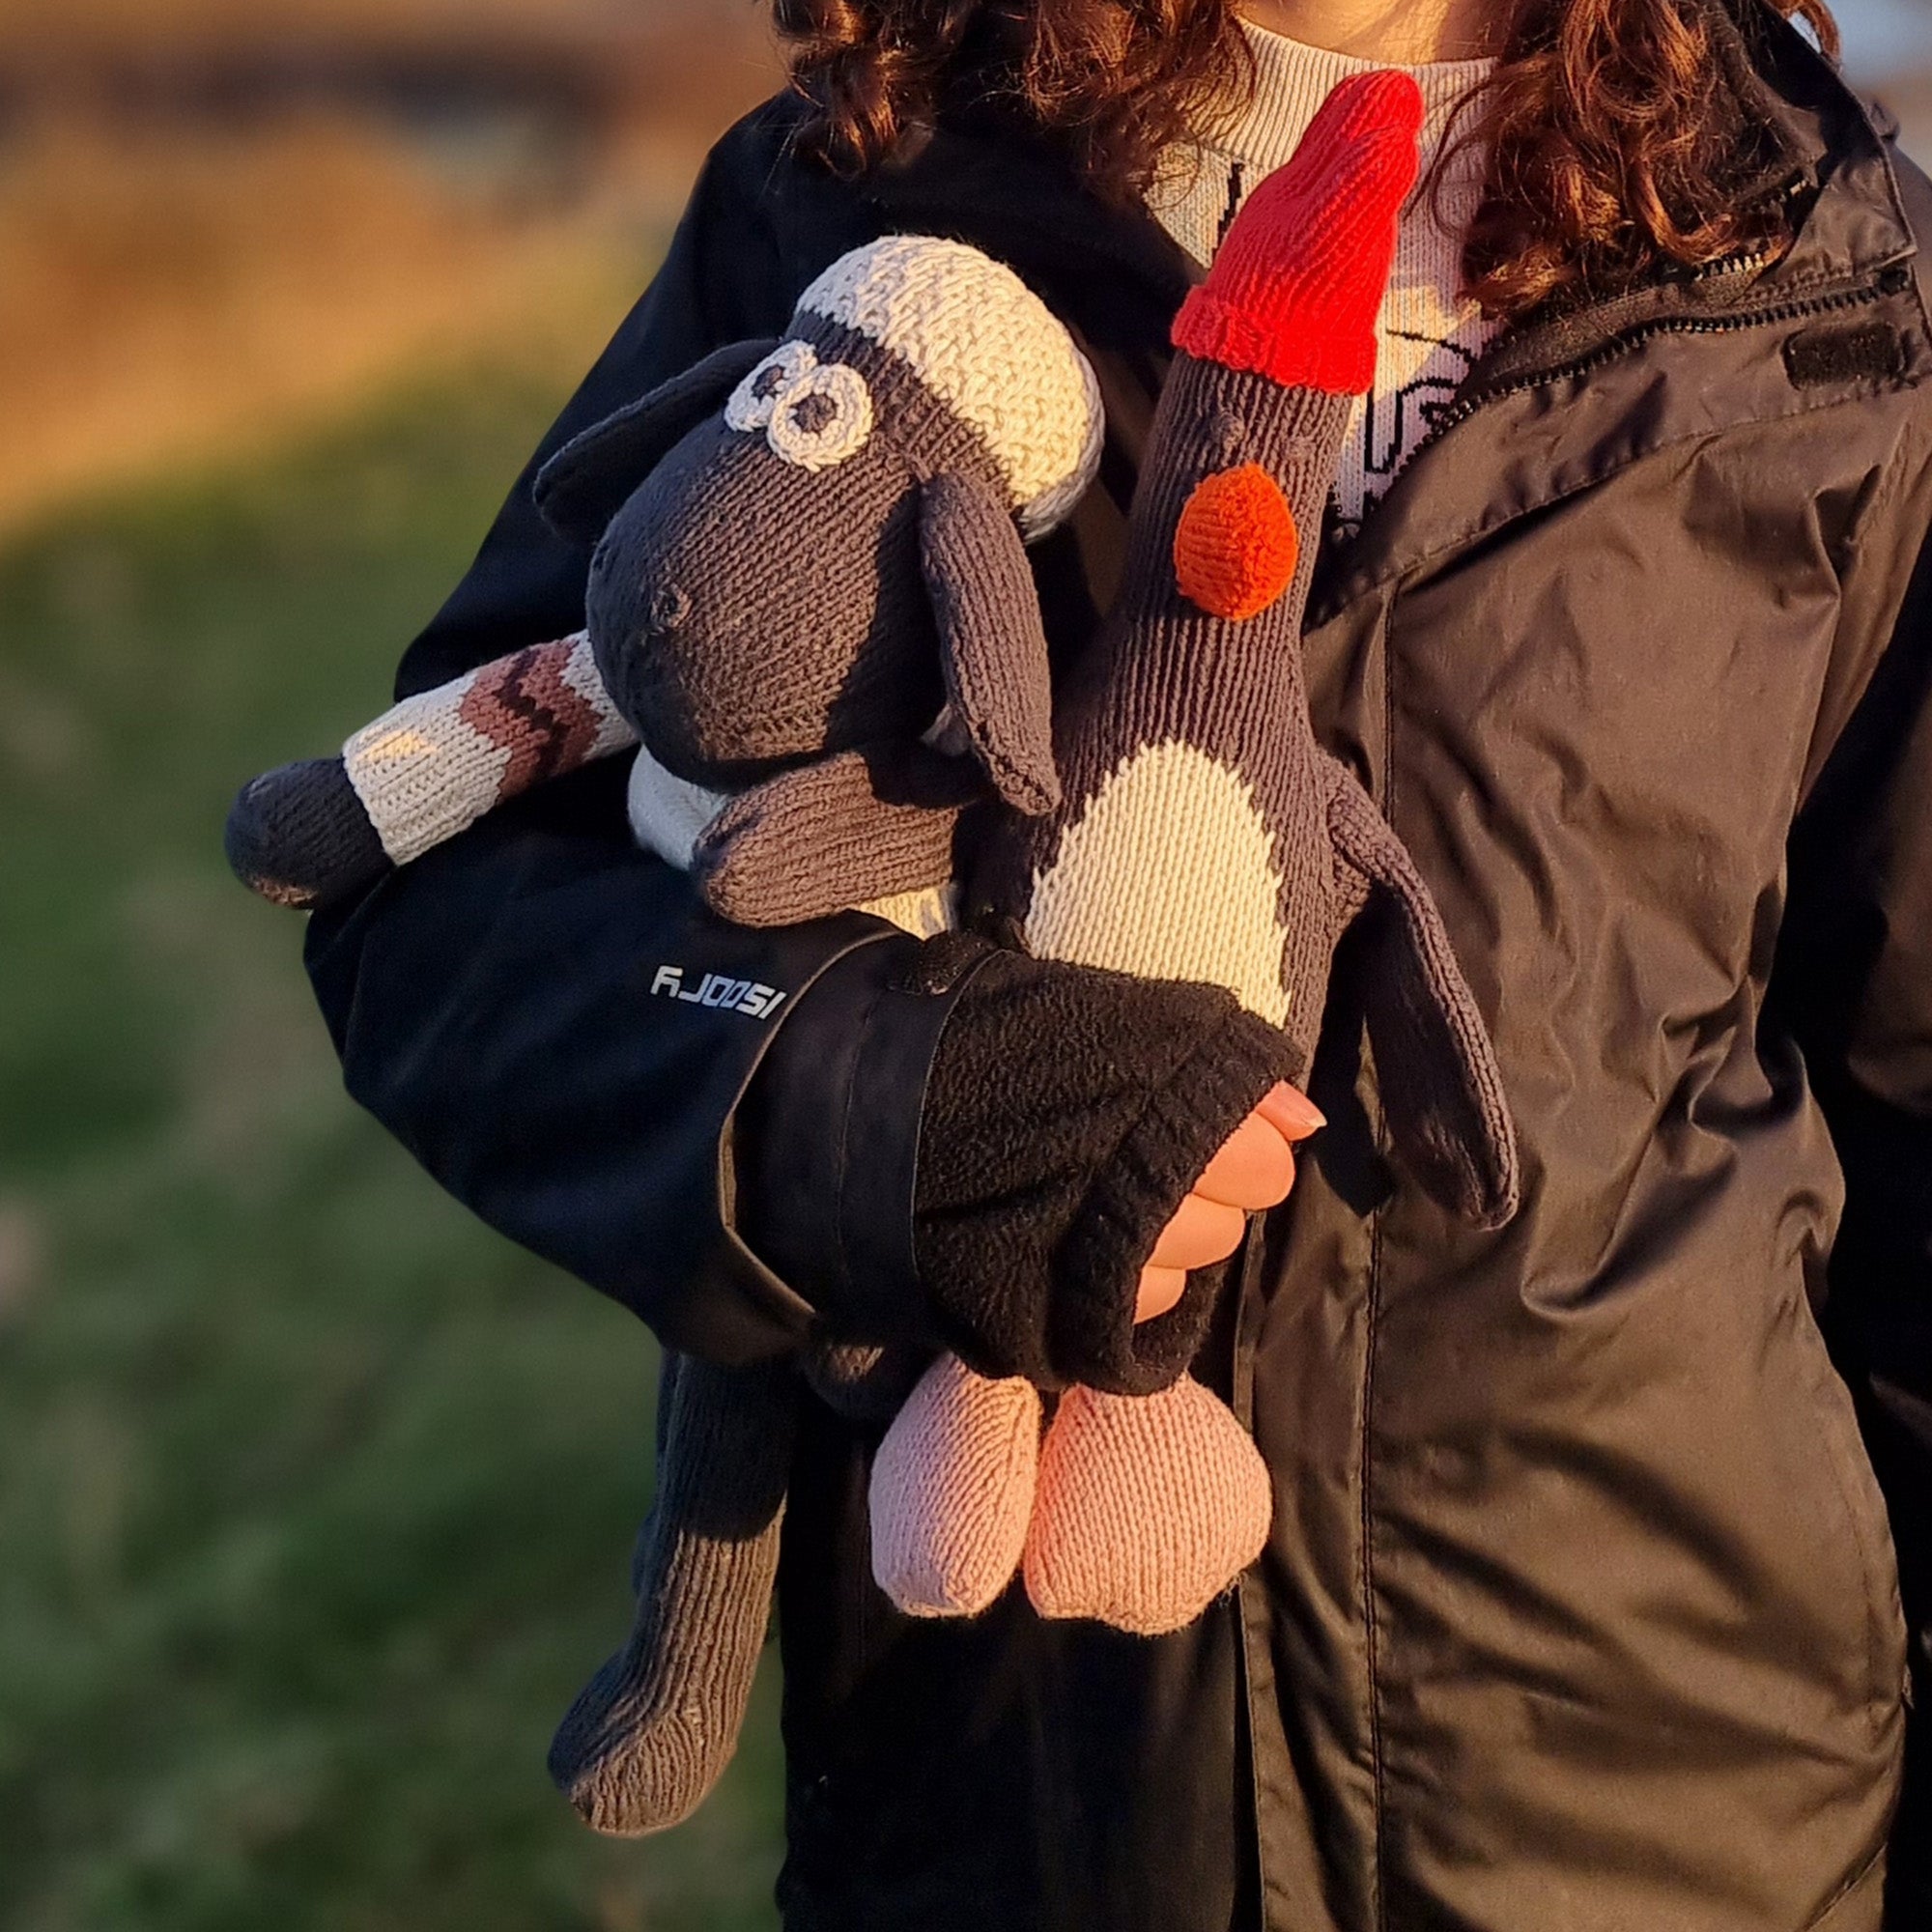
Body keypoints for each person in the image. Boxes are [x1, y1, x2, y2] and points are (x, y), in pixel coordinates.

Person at [301, 0, 1932, 1920]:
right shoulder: (859, 190)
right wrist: (866, 1099)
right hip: (1025, 1794)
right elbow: (439, 876)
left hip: (1678, 1799)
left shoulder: (1817, 255)